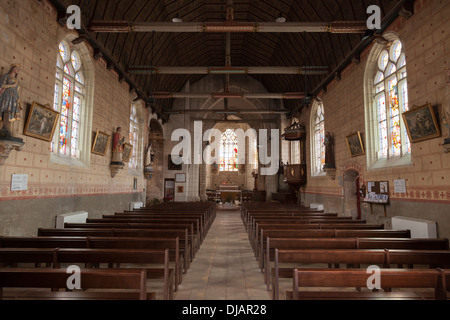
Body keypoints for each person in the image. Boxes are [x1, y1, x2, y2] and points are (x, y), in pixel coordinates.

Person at [0, 64, 23, 134]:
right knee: (5, 111)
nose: (18, 70)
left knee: (12, 114)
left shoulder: (16, 80)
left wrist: (18, 101)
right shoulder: (6, 76)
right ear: (12, 68)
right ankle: (3, 129)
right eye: (17, 68)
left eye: (19, 69)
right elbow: (1, 85)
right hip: (7, 96)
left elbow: (17, 91)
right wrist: (11, 85)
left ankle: (8, 131)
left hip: (14, 99)